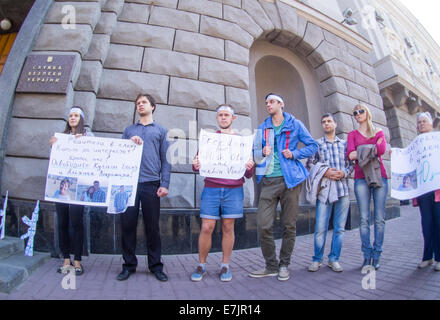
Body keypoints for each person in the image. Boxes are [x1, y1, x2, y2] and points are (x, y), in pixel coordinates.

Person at [249, 93, 318, 281]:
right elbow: (254, 154)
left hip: (291, 181)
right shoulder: (263, 128)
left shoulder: (295, 124)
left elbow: (313, 146)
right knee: (263, 224)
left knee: (289, 225)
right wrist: (261, 152)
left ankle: (284, 264)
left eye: (271, 102)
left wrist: (295, 153)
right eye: (266, 103)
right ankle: (271, 265)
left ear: (281, 103)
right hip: (269, 180)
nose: (268, 105)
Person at [191, 104, 255, 282]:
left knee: (228, 227)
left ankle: (225, 265)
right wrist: (196, 164)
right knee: (206, 227)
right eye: (220, 115)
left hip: (234, 189)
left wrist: (250, 167)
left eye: (227, 115)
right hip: (211, 187)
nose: (223, 118)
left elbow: (249, 173)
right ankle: (201, 265)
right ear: (217, 118)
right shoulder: (209, 139)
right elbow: (197, 166)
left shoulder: (242, 141)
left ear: (233, 118)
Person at [117, 93, 171, 282]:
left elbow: (166, 160)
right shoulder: (129, 130)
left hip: (151, 185)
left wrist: (164, 184)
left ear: (152, 106)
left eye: (144, 102)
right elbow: (119, 157)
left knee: (152, 227)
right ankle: (128, 265)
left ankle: (156, 266)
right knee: (127, 225)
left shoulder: (161, 131)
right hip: (129, 184)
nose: (140, 105)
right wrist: (128, 145)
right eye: (138, 103)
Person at [307, 113, 353, 273]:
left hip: (342, 190)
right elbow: (310, 164)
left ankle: (334, 259)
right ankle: (317, 259)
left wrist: (344, 173)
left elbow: (352, 164)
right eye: (323, 122)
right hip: (324, 191)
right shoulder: (317, 144)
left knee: (339, 228)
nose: (326, 124)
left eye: (329, 121)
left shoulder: (345, 145)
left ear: (335, 124)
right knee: (320, 227)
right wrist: (325, 172)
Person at [49, 106, 92, 276]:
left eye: (76, 115)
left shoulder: (89, 136)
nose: (73, 118)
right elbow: (54, 162)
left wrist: (85, 143)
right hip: (61, 186)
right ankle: (66, 259)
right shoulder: (60, 137)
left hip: (78, 186)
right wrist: (53, 146)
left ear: (81, 118)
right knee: (62, 222)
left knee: (77, 223)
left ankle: (78, 261)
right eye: (70, 115)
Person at [347, 104, 388, 270]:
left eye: (360, 111)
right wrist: (372, 148)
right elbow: (350, 155)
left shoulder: (378, 132)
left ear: (367, 113)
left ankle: (377, 254)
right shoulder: (352, 134)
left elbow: (382, 149)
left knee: (379, 219)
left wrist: (361, 150)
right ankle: (367, 255)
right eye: (355, 112)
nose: (358, 114)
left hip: (379, 176)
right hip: (360, 178)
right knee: (364, 219)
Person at [412, 112, 440, 271]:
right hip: (423, 190)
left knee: (438, 222)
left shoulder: (437, 140)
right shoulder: (415, 143)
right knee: (427, 223)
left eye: (424, 121)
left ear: (431, 124)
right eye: (419, 122)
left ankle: (439, 258)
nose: (421, 124)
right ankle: (427, 257)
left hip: (437, 189)